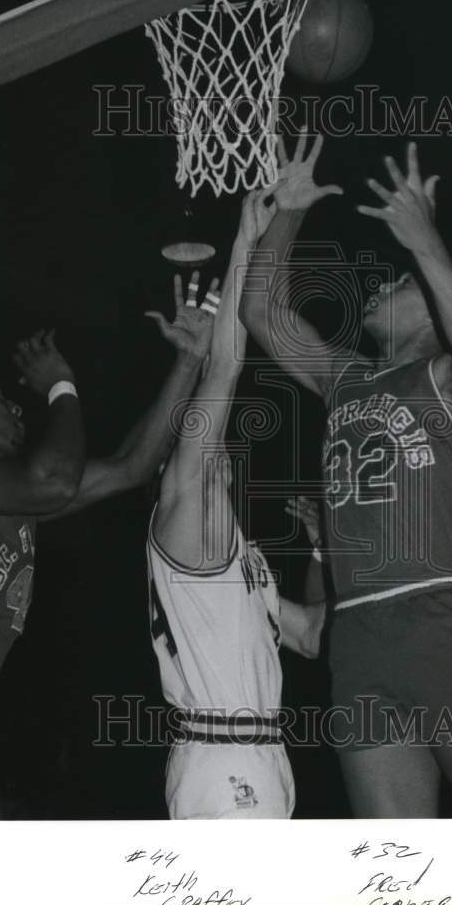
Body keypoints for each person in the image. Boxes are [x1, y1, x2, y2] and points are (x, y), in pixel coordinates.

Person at [240, 132, 452, 817]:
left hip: (436, 613)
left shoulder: (445, 378)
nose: (379, 287)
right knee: (393, 846)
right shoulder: (344, 376)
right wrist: (288, 212)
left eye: (398, 285)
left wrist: (425, 245)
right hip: (358, 632)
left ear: (433, 311)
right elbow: (261, 313)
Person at [0, 281, 216, 820]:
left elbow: (131, 467)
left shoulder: (4, 497)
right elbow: (55, 481)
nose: (11, 403)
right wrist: (61, 386)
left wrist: (189, 361)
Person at [147, 190, 325, 819]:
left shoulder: (240, 558)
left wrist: (323, 552)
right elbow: (226, 370)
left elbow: (312, 637)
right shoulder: (185, 523)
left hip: (258, 754)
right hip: (224, 756)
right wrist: (247, 240)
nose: (211, 443)